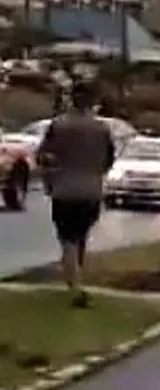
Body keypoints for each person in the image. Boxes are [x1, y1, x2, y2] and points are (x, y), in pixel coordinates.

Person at [36, 84, 115, 308]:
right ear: (92, 102)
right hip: (91, 191)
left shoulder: (58, 125)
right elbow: (108, 160)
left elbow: (43, 156)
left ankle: (75, 289)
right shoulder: (101, 129)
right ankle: (76, 277)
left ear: (71, 100)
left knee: (67, 238)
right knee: (80, 235)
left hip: (64, 189)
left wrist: (50, 178)